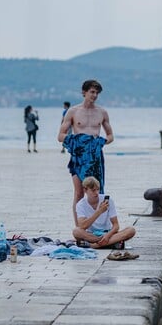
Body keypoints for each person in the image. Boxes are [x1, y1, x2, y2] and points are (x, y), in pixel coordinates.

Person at [57, 80, 114, 225]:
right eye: (92, 92)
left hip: (95, 156)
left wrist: (100, 142)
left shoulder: (102, 112)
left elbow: (110, 136)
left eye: (97, 93)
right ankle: (79, 228)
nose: (94, 95)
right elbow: (61, 136)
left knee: (97, 192)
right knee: (79, 192)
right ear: (84, 92)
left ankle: (99, 225)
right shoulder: (73, 111)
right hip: (79, 157)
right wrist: (79, 141)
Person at [73, 176, 135, 249]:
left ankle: (94, 245)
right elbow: (82, 226)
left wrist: (107, 236)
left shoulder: (108, 201)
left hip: (107, 233)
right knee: (76, 231)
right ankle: (109, 243)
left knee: (131, 230)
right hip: (91, 235)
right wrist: (99, 212)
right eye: (93, 190)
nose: (96, 193)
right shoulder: (81, 204)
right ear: (85, 190)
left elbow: (116, 225)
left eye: (98, 190)